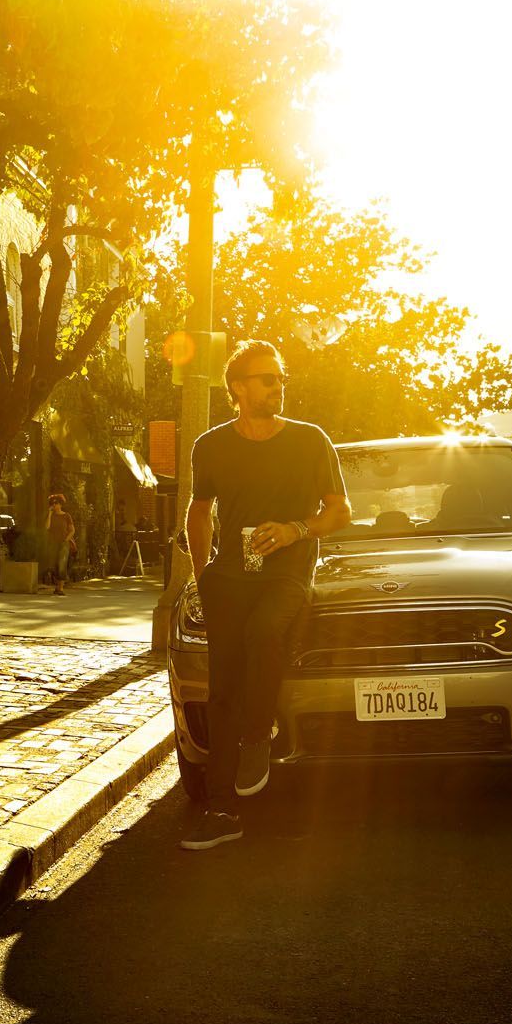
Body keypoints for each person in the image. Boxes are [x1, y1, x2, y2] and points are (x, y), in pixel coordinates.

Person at [180, 340, 351, 851]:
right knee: (222, 689)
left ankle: (259, 734)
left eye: (280, 379)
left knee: (265, 630)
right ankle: (220, 810)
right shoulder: (210, 446)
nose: (278, 387)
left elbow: (339, 511)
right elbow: (198, 508)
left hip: (288, 573)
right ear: (238, 387)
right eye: (267, 379)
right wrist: (201, 572)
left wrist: (298, 529)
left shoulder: (309, 441)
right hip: (230, 576)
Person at [43, 493, 76, 595]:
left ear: (61, 504)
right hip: (53, 543)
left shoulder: (66, 516)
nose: (54, 505)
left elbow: (72, 530)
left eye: (56, 503)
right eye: (52, 503)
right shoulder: (51, 516)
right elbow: (46, 528)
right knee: (54, 565)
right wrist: (49, 514)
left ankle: (60, 588)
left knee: (62, 565)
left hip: (63, 544)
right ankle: (57, 587)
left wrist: (66, 540)